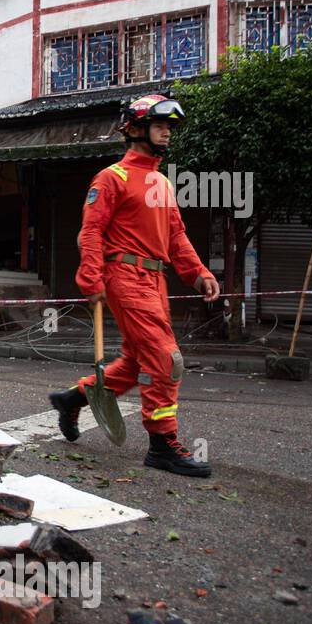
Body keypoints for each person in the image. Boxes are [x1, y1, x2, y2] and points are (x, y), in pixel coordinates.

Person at [49, 93, 220, 478]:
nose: (167, 133)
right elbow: (91, 231)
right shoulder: (112, 178)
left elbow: (176, 235)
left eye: (169, 127)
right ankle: (162, 444)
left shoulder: (161, 181)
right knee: (166, 359)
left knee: (136, 361)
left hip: (155, 280)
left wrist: (199, 274)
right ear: (137, 129)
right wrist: (90, 277)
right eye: (160, 125)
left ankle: (72, 398)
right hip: (125, 278)